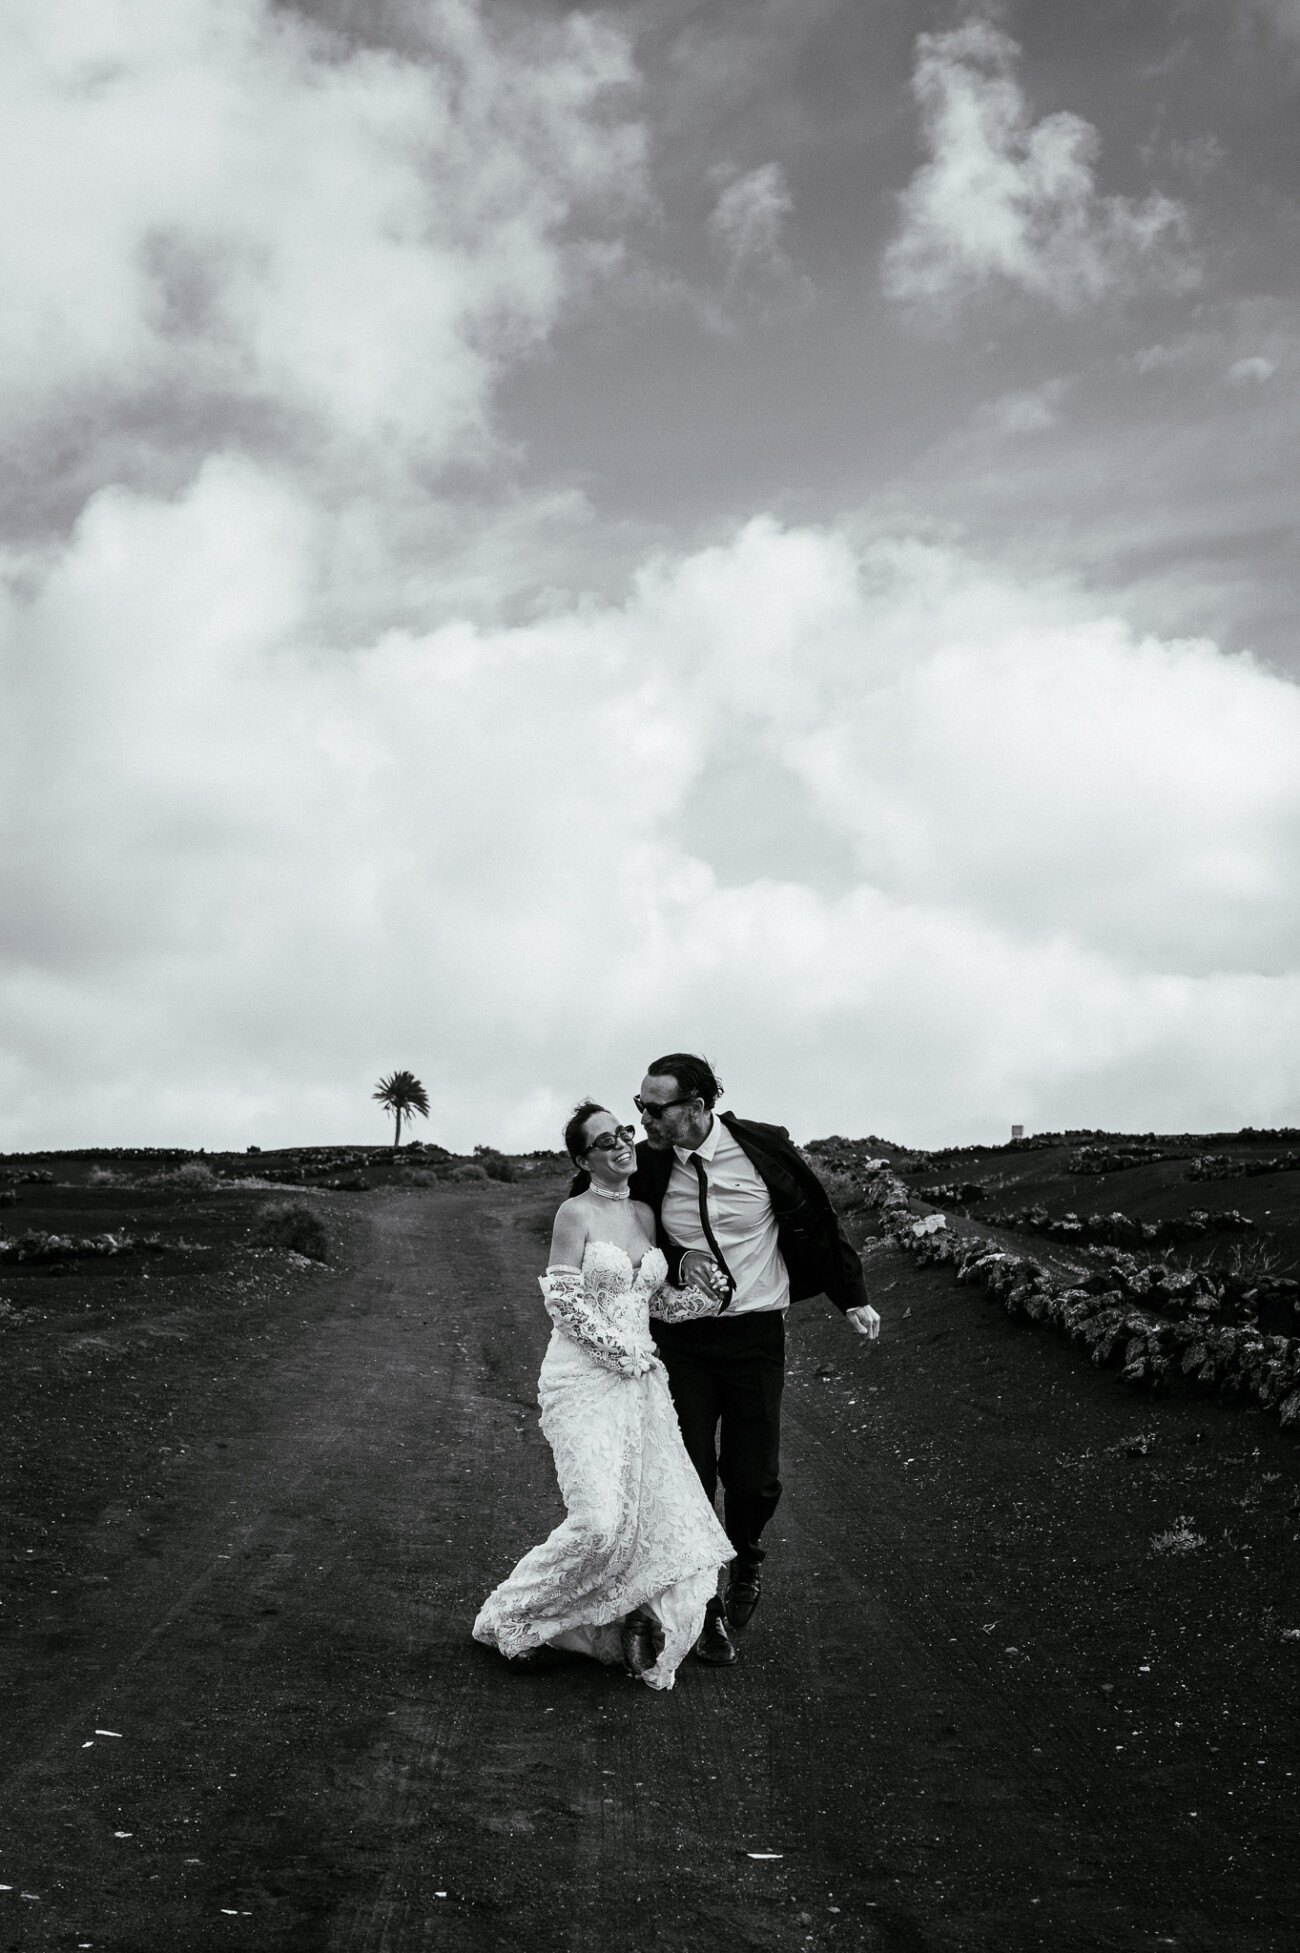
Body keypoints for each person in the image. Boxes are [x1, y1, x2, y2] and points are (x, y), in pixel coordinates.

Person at [630, 1053, 880, 1666]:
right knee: (692, 1471)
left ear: (696, 1106)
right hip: (682, 1340)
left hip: (756, 1338)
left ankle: (746, 1553)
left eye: (654, 1108)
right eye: (639, 1106)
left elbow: (818, 1216)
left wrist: (851, 1296)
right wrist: (673, 1253)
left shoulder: (762, 1147)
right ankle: (704, 1604)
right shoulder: (649, 1162)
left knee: (754, 1477)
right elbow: (619, 1223)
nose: (644, 1119)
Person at [473, 1101, 732, 1689]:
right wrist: (623, 1353)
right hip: (582, 1383)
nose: (621, 1144)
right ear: (582, 1158)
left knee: (643, 1524)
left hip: (640, 1390)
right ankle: (508, 1616)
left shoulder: (644, 1213)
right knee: (597, 1523)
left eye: (625, 1132)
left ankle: (605, 1627)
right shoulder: (574, 1213)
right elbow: (563, 1301)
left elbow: (655, 1304)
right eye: (606, 1140)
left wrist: (705, 1298)